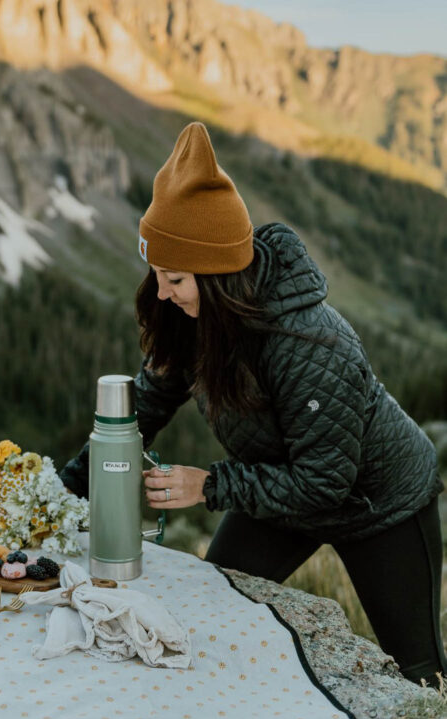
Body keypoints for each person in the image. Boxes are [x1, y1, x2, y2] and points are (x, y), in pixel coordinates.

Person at [60, 120, 447, 689]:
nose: (162, 293)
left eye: (174, 279)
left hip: (380, 504)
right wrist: (61, 490)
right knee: (217, 605)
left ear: (216, 276)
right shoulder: (190, 318)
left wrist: (208, 486)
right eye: (157, 276)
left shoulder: (310, 342)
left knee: (418, 671)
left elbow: (324, 483)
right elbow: (144, 404)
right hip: (283, 483)